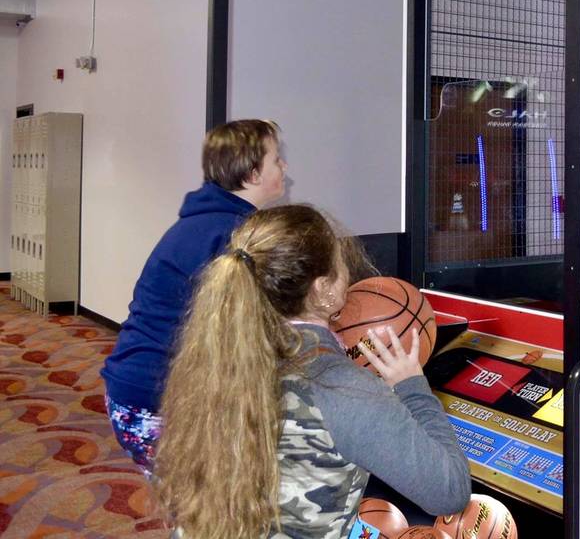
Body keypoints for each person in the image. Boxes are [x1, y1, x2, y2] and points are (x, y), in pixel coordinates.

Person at [153, 205, 471, 538]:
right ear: (323, 289)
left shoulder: (214, 357)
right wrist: (412, 388)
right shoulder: (344, 388)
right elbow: (449, 491)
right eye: (341, 264)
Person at [101, 119, 287, 472]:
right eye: (276, 159)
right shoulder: (233, 236)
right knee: (215, 505)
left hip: (134, 389)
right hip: (158, 399)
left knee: (197, 506)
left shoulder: (204, 223)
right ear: (252, 174)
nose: (285, 166)